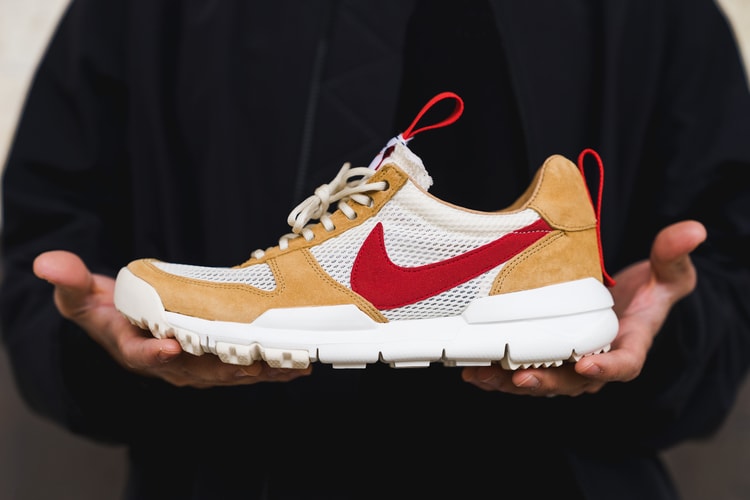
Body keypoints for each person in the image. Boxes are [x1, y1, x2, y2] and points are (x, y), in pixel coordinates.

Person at [2, 0, 749, 498]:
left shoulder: (658, 13)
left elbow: (731, 273)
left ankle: (531, 276)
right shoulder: (138, 12)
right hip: (221, 475)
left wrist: (668, 335)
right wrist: (98, 353)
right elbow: (38, 246)